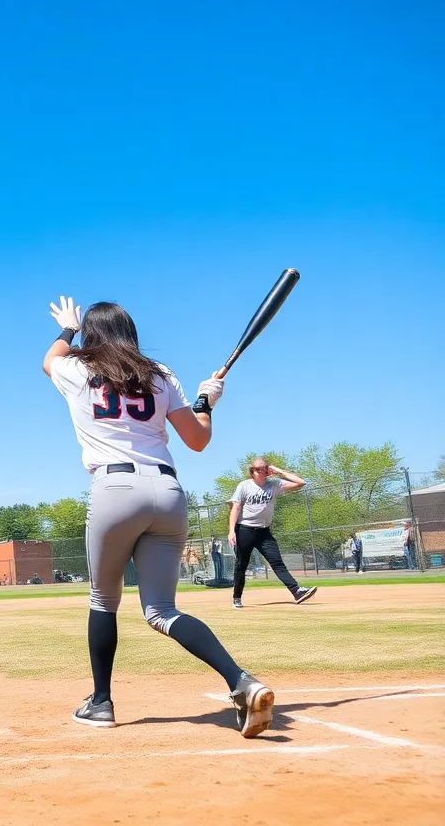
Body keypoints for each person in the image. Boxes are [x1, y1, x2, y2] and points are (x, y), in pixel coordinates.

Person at [43, 296, 273, 738]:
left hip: (114, 490)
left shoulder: (76, 369)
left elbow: (49, 359)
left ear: (92, 335)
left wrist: (67, 329)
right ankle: (241, 681)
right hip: (168, 491)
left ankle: (101, 703)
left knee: (102, 600)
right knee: (162, 610)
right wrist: (207, 400)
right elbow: (198, 439)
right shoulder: (161, 375)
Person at [228, 459, 317, 609]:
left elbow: (301, 483)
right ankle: (237, 597)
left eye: (264, 468)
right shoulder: (244, 486)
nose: (261, 471)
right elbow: (235, 508)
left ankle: (297, 591)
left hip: (264, 532)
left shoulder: (274, 484)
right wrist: (231, 531)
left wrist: (279, 471)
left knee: (277, 562)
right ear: (252, 472)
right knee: (241, 565)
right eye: (257, 469)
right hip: (244, 529)